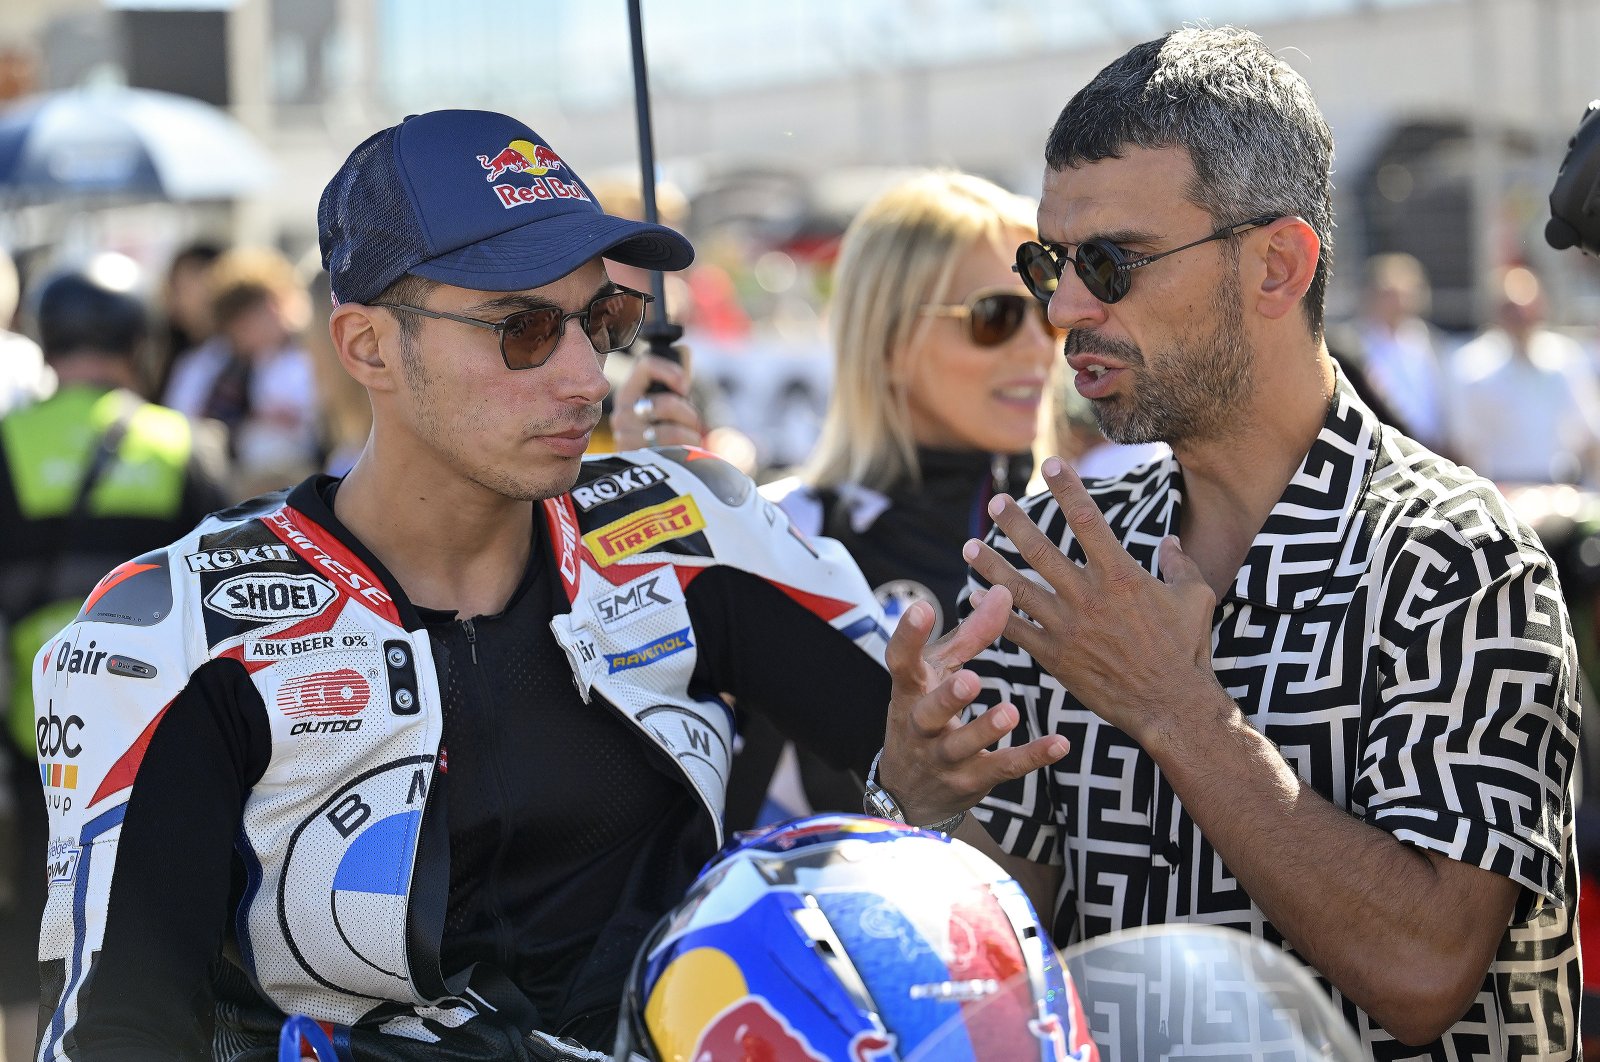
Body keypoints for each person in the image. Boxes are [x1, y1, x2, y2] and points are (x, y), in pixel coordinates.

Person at [33, 108, 894, 1061]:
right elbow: (116, 1029)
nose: (586, 378)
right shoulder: (180, 632)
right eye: (523, 330)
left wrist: (939, 762)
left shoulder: (690, 531)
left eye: (601, 320)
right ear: (367, 348)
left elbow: (932, 778)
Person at [871, 26, 1581, 1057]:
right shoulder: (1073, 555)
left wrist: (1177, 711)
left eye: (1109, 263)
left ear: (1277, 266)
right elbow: (993, 956)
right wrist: (916, 802)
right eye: (1047, 263)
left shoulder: (1457, 559)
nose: (1064, 309)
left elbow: (1427, 972)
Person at [726, 171, 1058, 827]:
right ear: (888, 342)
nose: (1039, 347)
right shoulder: (780, 534)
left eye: (1048, 309)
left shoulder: (1091, 528)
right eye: (996, 316)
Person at [0, 267, 227, 1062]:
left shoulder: (6, 439)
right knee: (158, 901)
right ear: (140, 344)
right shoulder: (179, 440)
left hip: (38, 721)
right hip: (157, 723)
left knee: (37, 901)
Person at [1445, 264, 1600, 487]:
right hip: (1499, 488)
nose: (1522, 316)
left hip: (1561, 490)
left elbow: (1588, 430)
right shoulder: (1471, 364)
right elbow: (1464, 440)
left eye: (1529, 307)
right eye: (1512, 309)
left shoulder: (1568, 357)